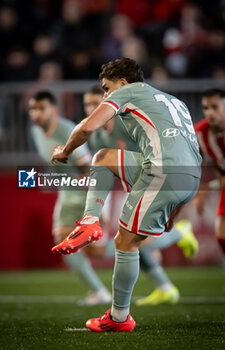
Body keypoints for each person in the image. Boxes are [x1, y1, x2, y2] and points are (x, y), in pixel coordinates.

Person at [51, 58, 202, 332]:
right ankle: (90, 221)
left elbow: (87, 127)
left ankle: (119, 318)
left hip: (163, 173)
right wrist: (173, 211)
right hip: (189, 176)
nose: (106, 96)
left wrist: (64, 151)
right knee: (104, 157)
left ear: (122, 82)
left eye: (107, 89)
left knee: (125, 242)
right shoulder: (174, 101)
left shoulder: (126, 92)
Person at [86, 85, 199, 306]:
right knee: (134, 242)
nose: (91, 108)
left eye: (95, 103)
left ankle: (178, 234)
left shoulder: (127, 123)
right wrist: (101, 210)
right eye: (87, 105)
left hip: (157, 179)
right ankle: (165, 288)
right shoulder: (97, 138)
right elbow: (104, 176)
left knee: (132, 242)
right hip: (135, 184)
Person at [29, 90, 112, 305]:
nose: (35, 113)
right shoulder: (36, 132)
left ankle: (143, 244)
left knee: (98, 250)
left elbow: (86, 168)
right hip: (68, 192)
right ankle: (99, 291)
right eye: (32, 109)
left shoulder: (67, 130)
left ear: (54, 110)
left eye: (40, 108)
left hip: (88, 191)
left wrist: (96, 208)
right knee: (65, 242)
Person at [194, 89, 225, 257]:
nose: (210, 113)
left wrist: (208, 187)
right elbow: (198, 161)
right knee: (221, 235)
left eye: (215, 107)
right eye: (206, 108)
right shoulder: (201, 132)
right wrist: (199, 190)